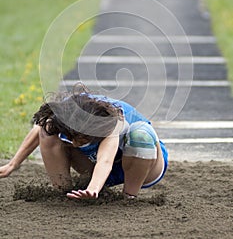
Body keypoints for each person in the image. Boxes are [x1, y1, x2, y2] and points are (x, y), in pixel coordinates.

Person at [0, 83, 168, 199]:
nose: (74, 144)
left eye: (80, 140)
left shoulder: (111, 121)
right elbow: (39, 128)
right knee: (47, 129)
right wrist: (12, 164)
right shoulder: (68, 112)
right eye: (72, 139)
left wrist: (93, 189)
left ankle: (129, 196)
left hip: (144, 164)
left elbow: (105, 161)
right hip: (96, 165)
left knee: (141, 136)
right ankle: (64, 193)